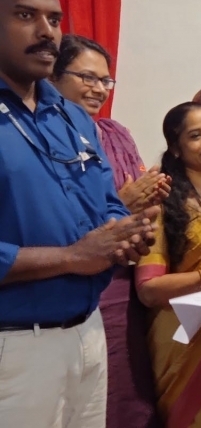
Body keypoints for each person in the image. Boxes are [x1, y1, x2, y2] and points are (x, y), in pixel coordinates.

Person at [0, 0, 158, 427]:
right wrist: (72, 257)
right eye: (25, 15)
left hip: (88, 333)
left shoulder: (71, 116)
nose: (46, 31)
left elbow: (107, 204)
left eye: (54, 19)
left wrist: (123, 234)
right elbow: (78, 252)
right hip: (14, 346)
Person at [50, 33, 165, 428]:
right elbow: (57, 218)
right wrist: (124, 202)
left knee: (123, 391)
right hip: (64, 286)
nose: (99, 89)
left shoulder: (115, 133)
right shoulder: (39, 136)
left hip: (122, 284)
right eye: (87, 77)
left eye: (105, 80)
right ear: (52, 76)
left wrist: (150, 201)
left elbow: (134, 206)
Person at [135, 102, 201, 427]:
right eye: (196, 136)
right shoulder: (163, 203)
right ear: (176, 147)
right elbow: (149, 290)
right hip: (185, 339)